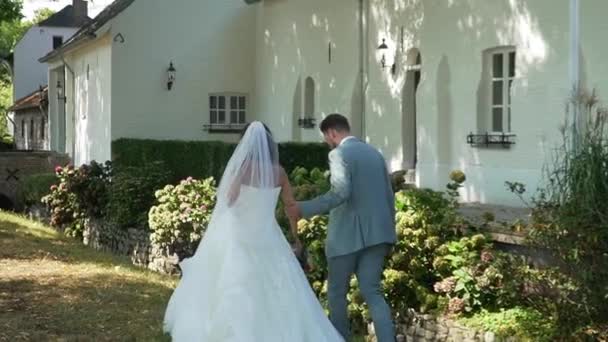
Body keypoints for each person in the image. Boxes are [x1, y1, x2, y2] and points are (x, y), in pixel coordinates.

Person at [163, 121, 343, 341]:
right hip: (269, 237)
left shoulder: (242, 170)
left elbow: (228, 199)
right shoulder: (279, 173)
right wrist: (296, 238)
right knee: (281, 288)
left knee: (233, 284)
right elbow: (290, 207)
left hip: (239, 234)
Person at [288, 113, 397, 342]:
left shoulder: (338, 153)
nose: (328, 142)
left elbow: (340, 192)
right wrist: (389, 231)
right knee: (373, 292)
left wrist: (304, 208)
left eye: (327, 138)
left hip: (346, 236)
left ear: (331, 133)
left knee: (337, 293)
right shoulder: (375, 153)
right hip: (379, 234)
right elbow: (389, 196)